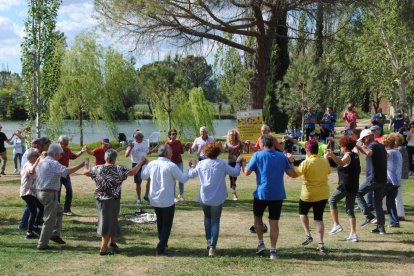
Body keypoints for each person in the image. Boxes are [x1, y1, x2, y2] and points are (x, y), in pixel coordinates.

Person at [84, 149, 146, 255]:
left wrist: (86, 162)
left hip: (100, 200)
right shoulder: (119, 169)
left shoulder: (97, 168)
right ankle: (103, 249)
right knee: (107, 223)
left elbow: (86, 172)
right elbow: (134, 172)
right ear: (115, 158)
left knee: (111, 220)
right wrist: (141, 161)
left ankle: (112, 242)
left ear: (105, 158)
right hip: (112, 200)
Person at [244, 135, 296, 260]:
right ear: (274, 144)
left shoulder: (257, 155)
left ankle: (261, 242)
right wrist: (291, 161)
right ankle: (273, 250)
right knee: (274, 223)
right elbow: (292, 174)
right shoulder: (282, 157)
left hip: (261, 193)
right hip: (277, 194)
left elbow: (246, 172)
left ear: (262, 144)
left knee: (257, 218)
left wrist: (244, 165)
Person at [188, 142, 243, 257]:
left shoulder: (201, 163)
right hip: (217, 197)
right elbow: (236, 172)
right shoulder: (222, 164)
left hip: (204, 197)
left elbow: (191, 174)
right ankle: (212, 247)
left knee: (207, 218)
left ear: (206, 152)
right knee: (215, 221)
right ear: (218, 153)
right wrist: (238, 163)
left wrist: (191, 166)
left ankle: (208, 241)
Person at [141, 145, 191, 256]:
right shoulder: (171, 165)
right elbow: (183, 178)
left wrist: (145, 165)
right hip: (167, 200)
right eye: (171, 152)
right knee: (166, 224)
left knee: (160, 221)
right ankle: (161, 247)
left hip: (154, 198)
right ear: (167, 154)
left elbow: (143, 176)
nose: (172, 154)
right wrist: (189, 169)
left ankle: (163, 244)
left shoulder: (152, 164)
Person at [36, 144, 86, 250]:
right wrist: (82, 164)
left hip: (41, 192)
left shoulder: (43, 161)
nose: (61, 156)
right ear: (55, 153)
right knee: (49, 220)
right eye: (60, 154)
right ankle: (42, 244)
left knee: (59, 210)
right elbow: (67, 172)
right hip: (49, 193)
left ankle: (55, 234)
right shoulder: (52, 162)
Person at [290, 140, 331, 252]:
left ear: (307, 151)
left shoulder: (306, 162)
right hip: (323, 193)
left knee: (302, 213)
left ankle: (307, 234)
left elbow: (294, 174)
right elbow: (328, 172)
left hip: (308, 194)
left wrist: (291, 162)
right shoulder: (324, 161)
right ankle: (321, 243)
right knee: (319, 218)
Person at [325, 136, 361, 242]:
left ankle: (336, 225)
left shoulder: (348, 155)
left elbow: (341, 163)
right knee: (350, 210)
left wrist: (331, 154)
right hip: (354, 185)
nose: (340, 148)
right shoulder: (355, 154)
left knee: (331, 200)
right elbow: (351, 145)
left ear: (344, 147)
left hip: (345, 185)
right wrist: (335, 141)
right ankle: (354, 234)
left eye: (341, 146)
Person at [355, 129, 387, 235]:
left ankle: (369, 216)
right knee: (378, 203)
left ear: (367, 137)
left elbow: (368, 152)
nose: (363, 142)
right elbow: (387, 156)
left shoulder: (372, 145)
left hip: (374, 178)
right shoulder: (381, 146)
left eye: (363, 140)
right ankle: (381, 229)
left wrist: (359, 144)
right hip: (382, 178)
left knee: (357, 193)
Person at [58, 135, 86, 216]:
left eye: (67, 144)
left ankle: (67, 209)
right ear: (60, 143)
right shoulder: (55, 151)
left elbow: (73, 157)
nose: (67, 145)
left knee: (69, 191)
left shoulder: (67, 150)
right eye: (65, 144)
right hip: (57, 175)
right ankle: (58, 209)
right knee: (57, 192)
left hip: (66, 174)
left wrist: (81, 151)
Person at [20, 148, 44, 239]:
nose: (38, 157)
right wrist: (38, 160)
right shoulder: (28, 165)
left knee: (41, 207)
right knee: (33, 212)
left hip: (31, 192)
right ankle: (29, 233)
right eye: (36, 156)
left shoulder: (31, 163)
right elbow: (31, 171)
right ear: (30, 157)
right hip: (27, 192)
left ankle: (35, 226)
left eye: (38, 156)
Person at [381, 134, 402, 228]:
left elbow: (381, 158)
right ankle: (394, 221)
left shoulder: (390, 152)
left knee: (377, 198)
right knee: (390, 202)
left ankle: (378, 218)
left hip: (389, 180)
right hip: (396, 181)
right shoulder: (397, 152)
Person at [125, 131, 150, 205]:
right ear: (136, 138)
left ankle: (146, 195)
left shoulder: (144, 143)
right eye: (141, 137)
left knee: (150, 179)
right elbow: (126, 155)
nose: (142, 138)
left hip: (145, 163)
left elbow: (147, 152)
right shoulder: (132, 144)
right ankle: (138, 198)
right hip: (136, 164)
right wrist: (130, 148)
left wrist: (155, 149)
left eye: (142, 136)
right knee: (138, 182)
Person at [224, 129, 245, 200]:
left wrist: (247, 144)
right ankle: (234, 193)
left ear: (235, 135)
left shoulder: (239, 143)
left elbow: (244, 150)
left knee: (234, 178)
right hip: (230, 162)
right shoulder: (227, 143)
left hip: (238, 162)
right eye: (230, 135)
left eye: (233, 135)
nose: (231, 136)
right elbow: (222, 150)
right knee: (231, 178)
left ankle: (232, 191)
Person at [165, 129, 185, 202]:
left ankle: (181, 194)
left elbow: (182, 152)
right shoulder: (167, 143)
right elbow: (165, 154)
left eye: (175, 133)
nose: (174, 135)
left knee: (181, 178)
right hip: (171, 164)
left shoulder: (178, 142)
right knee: (173, 180)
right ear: (170, 135)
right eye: (173, 134)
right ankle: (173, 196)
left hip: (179, 163)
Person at [394, 133, 408, 221]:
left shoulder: (399, 150)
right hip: (402, 174)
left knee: (397, 195)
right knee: (397, 194)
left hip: (400, 175)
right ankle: (399, 213)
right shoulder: (402, 149)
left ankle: (400, 214)